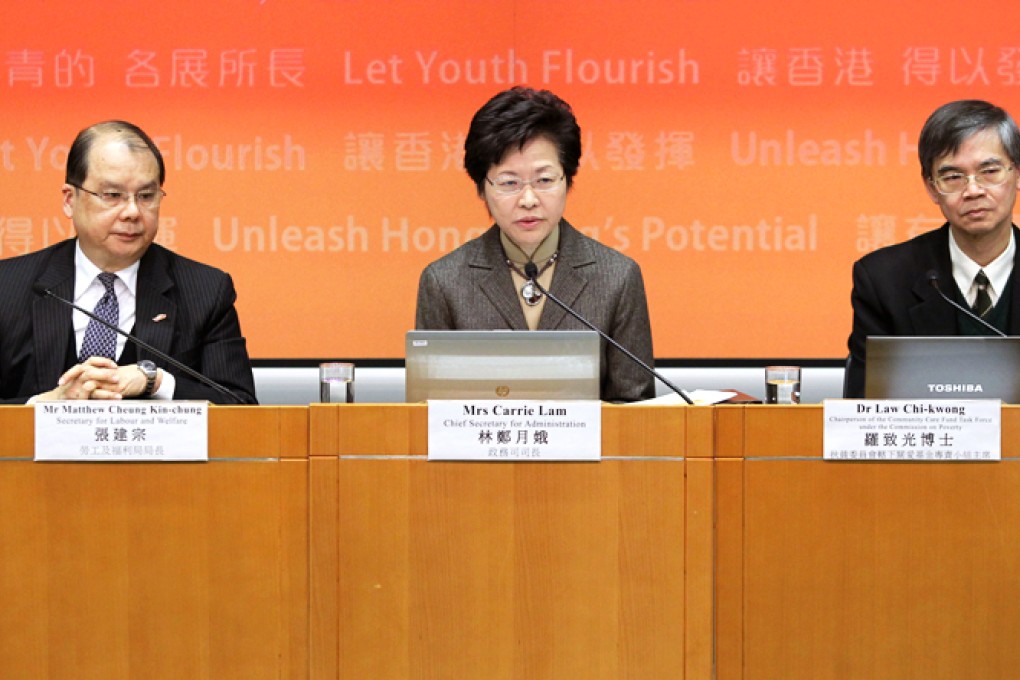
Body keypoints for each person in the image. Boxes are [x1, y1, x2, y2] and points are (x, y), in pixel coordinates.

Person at [415, 86, 655, 402]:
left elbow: (635, 409)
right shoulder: (445, 282)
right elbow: (430, 413)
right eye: (509, 183)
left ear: (568, 180)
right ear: (482, 188)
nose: (528, 200)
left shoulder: (616, 278)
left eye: (544, 180)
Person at [0, 120, 257, 404]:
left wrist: (157, 382)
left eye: (146, 196)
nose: (133, 212)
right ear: (69, 200)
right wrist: (39, 407)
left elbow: (241, 409)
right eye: (112, 195)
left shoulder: (206, 291)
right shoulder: (7, 287)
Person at [845, 99, 1020, 397]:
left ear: (1017, 174)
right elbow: (864, 409)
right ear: (931, 188)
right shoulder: (884, 279)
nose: (973, 190)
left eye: (989, 172)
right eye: (953, 177)